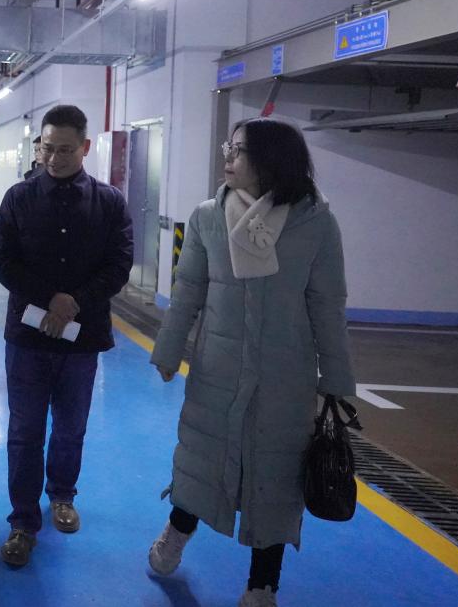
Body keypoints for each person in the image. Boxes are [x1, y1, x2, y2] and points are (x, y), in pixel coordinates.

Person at [146, 119, 355, 607]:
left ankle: (263, 585)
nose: (228, 157)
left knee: (276, 479)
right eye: (230, 147)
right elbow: (188, 291)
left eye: (238, 150)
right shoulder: (208, 217)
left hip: (286, 377)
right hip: (217, 370)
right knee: (201, 461)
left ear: (270, 160)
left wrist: (336, 379)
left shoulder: (315, 223)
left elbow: (328, 305)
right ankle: (177, 531)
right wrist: (169, 350)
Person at [0, 104, 133, 568]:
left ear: (85, 147)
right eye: (47, 149)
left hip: (81, 339)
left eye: (65, 150)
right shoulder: (18, 198)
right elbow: (2, 259)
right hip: (27, 339)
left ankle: (63, 495)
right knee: (25, 430)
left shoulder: (109, 202)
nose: (53, 158)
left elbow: (119, 263)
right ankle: (22, 521)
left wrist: (76, 301)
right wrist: (50, 298)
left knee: (71, 426)